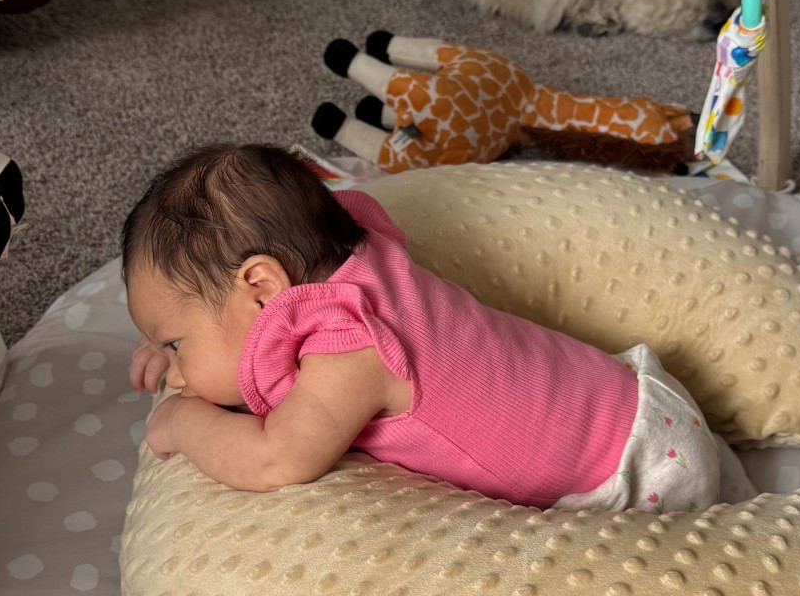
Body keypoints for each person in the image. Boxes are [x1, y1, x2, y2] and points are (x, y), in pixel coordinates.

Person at [122, 144, 747, 513]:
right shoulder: (361, 257)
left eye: (174, 342)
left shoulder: (352, 353)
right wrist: (181, 355)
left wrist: (184, 420)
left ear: (262, 286)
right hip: (630, 397)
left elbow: (275, 459)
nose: (169, 364)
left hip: (633, 471)